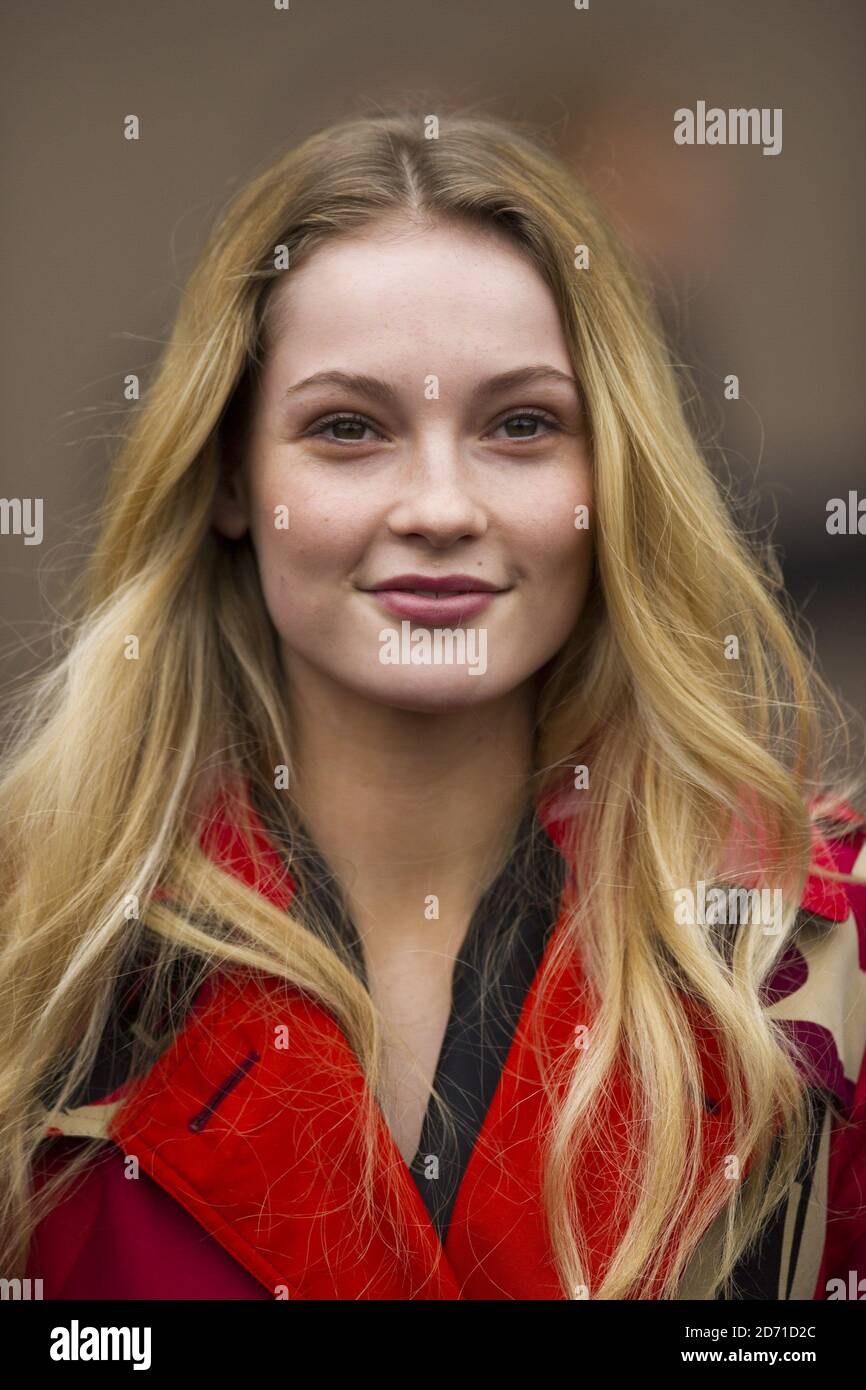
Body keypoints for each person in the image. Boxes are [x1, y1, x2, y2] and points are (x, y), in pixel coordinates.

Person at [2, 109, 864, 1302]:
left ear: (610, 474)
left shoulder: (819, 952)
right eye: (347, 428)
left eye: (521, 424)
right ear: (231, 478)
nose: (441, 506)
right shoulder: (34, 938)